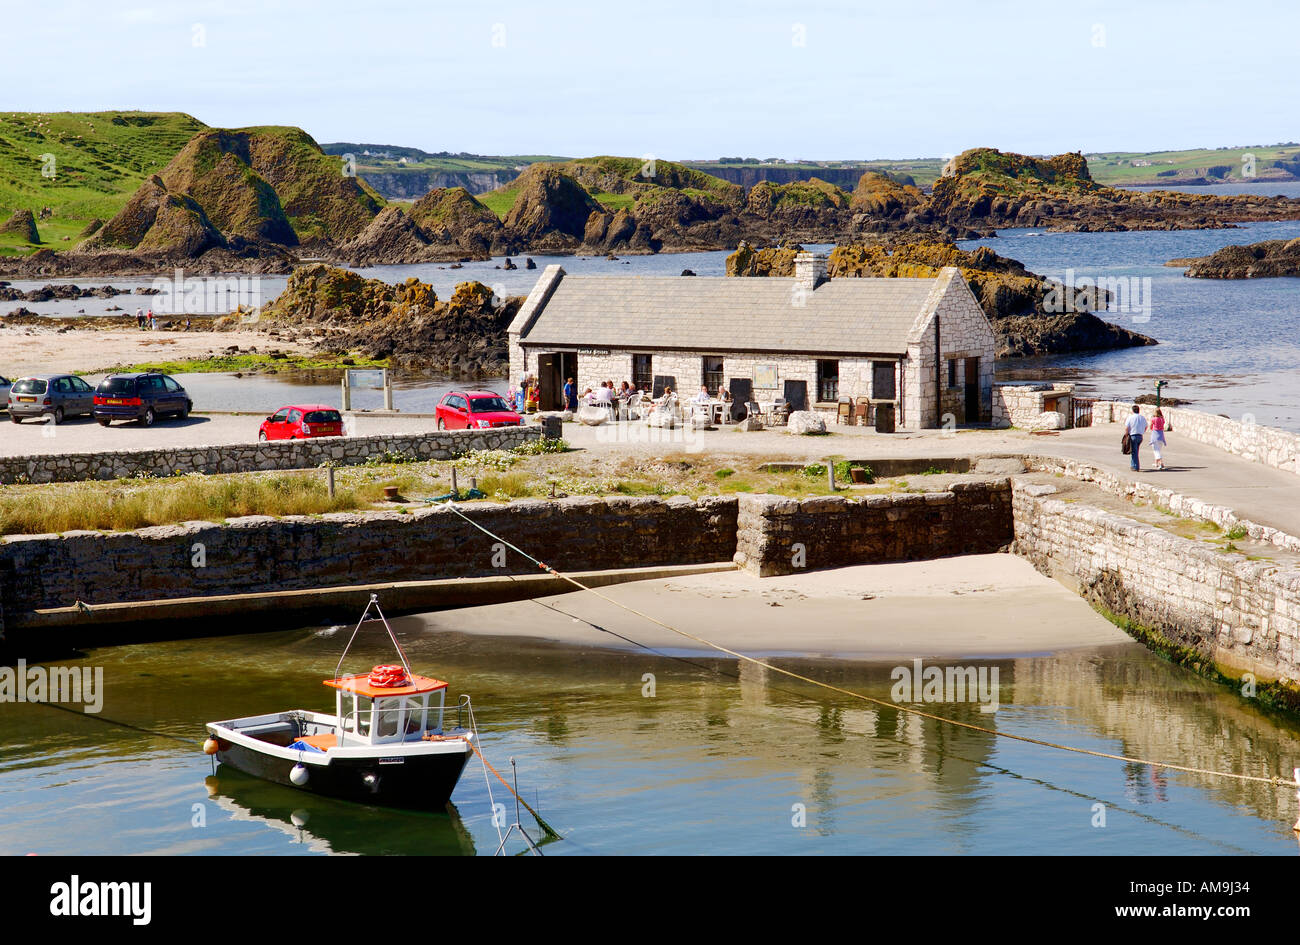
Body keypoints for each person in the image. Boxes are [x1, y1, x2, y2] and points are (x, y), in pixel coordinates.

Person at [1125, 404, 1147, 471]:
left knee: (1134, 451)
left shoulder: (1130, 417)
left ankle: (1136, 466)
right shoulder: (1142, 417)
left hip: (1133, 435)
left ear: (1133, 410)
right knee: (1135, 451)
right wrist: (1142, 431)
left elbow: (1127, 427)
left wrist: (1126, 434)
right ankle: (1133, 465)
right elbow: (1146, 426)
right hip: (1140, 436)